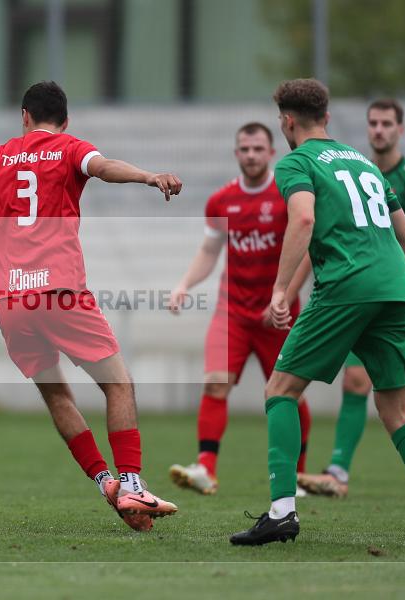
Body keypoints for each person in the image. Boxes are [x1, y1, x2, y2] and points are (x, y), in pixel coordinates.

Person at [0, 81, 180, 531]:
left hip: (10, 302)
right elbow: (104, 166)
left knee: (56, 393)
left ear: (24, 117)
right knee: (118, 385)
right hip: (59, 293)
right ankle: (132, 482)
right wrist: (148, 176)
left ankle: (106, 483)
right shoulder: (71, 147)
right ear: (66, 120)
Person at [230, 79, 405, 548]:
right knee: (396, 409)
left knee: (280, 389)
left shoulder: (296, 161)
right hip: (397, 287)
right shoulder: (363, 162)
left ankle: (281, 513)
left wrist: (280, 290)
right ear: (327, 119)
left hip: (347, 284)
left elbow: (305, 218)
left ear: (288, 122)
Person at [298, 99, 405, 500]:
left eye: (386, 123)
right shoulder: (353, 168)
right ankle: (338, 472)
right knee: (354, 378)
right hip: (360, 294)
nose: (378, 130)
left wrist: (398, 246)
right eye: (373, 123)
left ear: (401, 129)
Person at [168, 122, 312, 495]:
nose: (251, 155)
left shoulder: (288, 196)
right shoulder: (221, 201)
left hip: (278, 315)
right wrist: (184, 284)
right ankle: (206, 469)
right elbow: (209, 251)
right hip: (232, 311)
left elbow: (308, 253)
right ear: (237, 153)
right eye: (244, 149)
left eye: (257, 149)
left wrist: (283, 297)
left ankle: (299, 474)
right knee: (216, 383)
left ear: (271, 152)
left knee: (288, 393)